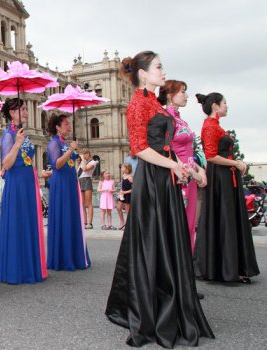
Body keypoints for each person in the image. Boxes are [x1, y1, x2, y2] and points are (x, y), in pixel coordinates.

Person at [105, 51, 213, 347]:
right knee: (154, 244)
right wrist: (175, 166)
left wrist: (191, 167)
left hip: (165, 178)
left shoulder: (154, 102)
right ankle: (152, 311)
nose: (163, 71)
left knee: (168, 241)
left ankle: (172, 305)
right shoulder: (137, 104)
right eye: (158, 67)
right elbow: (139, 148)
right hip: (151, 181)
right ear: (142, 73)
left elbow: (169, 146)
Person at [194, 91, 259, 283]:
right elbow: (211, 155)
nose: (227, 106)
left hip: (225, 176)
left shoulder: (214, 125)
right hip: (220, 177)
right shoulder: (210, 126)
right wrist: (236, 163)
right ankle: (226, 268)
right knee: (224, 218)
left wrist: (235, 163)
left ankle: (229, 266)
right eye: (224, 103)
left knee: (227, 218)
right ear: (215, 105)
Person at [0, 98, 47, 284]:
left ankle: (29, 266)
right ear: (12, 112)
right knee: (18, 223)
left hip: (27, 181)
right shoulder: (8, 135)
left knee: (28, 222)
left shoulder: (22, 133)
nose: (26, 112)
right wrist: (17, 144)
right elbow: (6, 164)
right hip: (16, 183)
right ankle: (16, 269)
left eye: (26, 108)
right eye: (23, 109)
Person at [158, 80, 207, 252]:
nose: (186, 96)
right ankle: (176, 264)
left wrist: (199, 169)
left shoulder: (181, 121)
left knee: (190, 220)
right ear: (170, 96)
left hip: (190, 176)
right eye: (182, 92)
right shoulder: (165, 118)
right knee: (177, 221)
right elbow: (166, 149)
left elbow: (189, 151)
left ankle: (186, 261)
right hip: (177, 176)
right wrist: (190, 172)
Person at [46, 114, 89, 271]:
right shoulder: (54, 143)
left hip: (71, 182)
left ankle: (74, 254)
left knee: (72, 216)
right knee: (63, 216)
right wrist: (71, 149)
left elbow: (70, 162)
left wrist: (73, 152)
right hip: (61, 184)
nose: (69, 126)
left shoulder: (65, 143)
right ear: (57, 127)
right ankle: (62, 257)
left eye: (69, 124)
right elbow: (57, 164)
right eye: (65, 124)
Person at [78, 148, 97, 229]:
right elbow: (77, 171)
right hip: (80, 180)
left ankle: (90, 222)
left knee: (88, 203)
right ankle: (84, 222)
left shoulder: (93, 162)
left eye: (84, 154)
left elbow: (85, 169)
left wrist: (82, 160)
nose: (83, 156)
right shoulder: (82, 162)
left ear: (88, 154)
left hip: (87, 180)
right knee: (82, 203)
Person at [115, 163, 133, 230]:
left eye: (122, 167)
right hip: (122, 194)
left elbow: (133, 189)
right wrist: (120, 192)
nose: (121, 169)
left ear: (127, 169)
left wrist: (125, 192)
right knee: (118, 207)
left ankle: (128, 224)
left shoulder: (130, 177)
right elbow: (123, 186)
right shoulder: (123, 175)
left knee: (127, 210)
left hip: (128, 195)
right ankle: (122, 221)